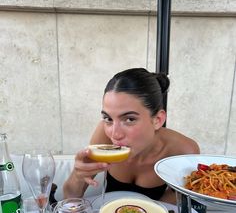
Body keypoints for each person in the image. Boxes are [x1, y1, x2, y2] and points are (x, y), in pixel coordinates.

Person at [63, 68, 200, 204]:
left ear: (158, 119)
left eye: (129, 119)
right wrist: (78, 175)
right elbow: (69, 199)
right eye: (108, 118)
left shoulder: (183, 151)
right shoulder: (103, 135)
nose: (115, 135)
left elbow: (176, 208)